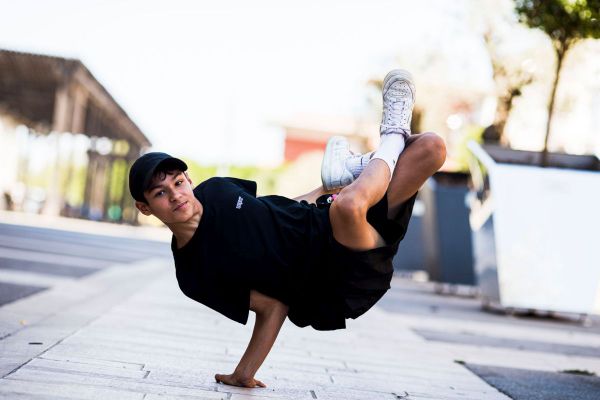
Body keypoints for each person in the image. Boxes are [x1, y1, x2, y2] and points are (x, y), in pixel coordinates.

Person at [128, 69, 446, 389]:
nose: (176, 195)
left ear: (189, 180)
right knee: (349, 207)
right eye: (160, 193)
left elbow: (277, 210)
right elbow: (272, 307)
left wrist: (321, 189)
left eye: (178, 182)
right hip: (337, 274)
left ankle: (353, 173)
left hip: (329, 215)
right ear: (146, 208)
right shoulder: (193, 274)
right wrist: (243, 373)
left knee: (432, 147)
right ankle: (388, 135)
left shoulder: (216, 190)